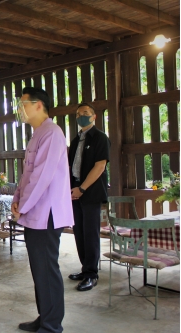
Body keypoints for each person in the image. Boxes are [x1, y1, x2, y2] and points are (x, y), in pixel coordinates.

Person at [11, 87, 74, 333]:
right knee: (40, 270)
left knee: (47, 270)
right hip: (34, 214)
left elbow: (41, 177)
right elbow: (27, 175)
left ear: (39, 105)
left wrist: (22, 206)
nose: (20, 109)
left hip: (47, 214)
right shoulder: (38, 134)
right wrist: (17, 199)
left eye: (24, 103)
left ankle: (51, 325)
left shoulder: (52, 133)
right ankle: (45, 316)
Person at [68, 103, 110, 292]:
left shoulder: (100, 138)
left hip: (90, 193)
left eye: (85, 113)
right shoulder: (77, 140)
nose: (81, 116)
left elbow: (100, 167)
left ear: (94, 117)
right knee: (79, 232)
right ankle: (85, 269)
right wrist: (72, 189)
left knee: (91, 234)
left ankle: (92, 274)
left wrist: (82, 189)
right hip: (75, 191)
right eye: (78, 114)